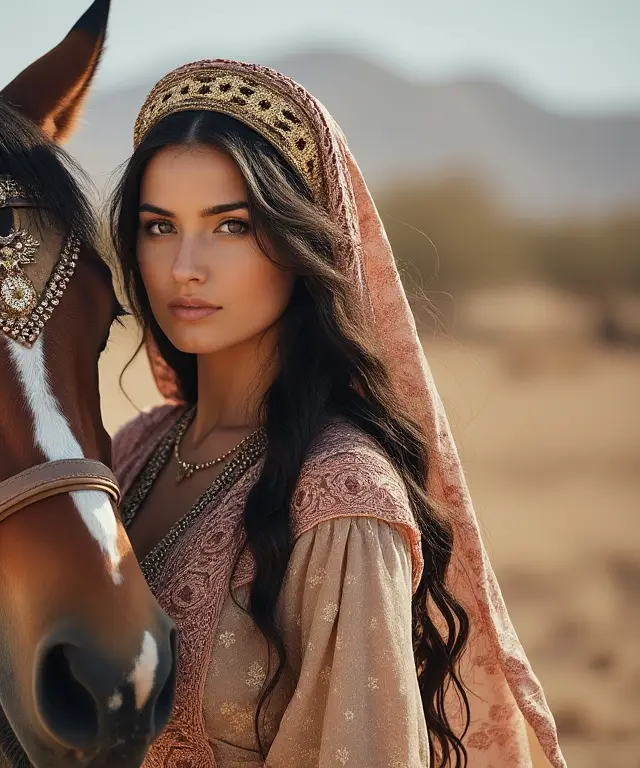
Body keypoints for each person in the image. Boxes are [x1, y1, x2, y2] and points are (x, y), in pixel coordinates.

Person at [108, 60, 565, 767]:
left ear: (301, 243)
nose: (184, 266)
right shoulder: (128, 452)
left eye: (231, 226)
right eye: (159, 226)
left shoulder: (342, 501)